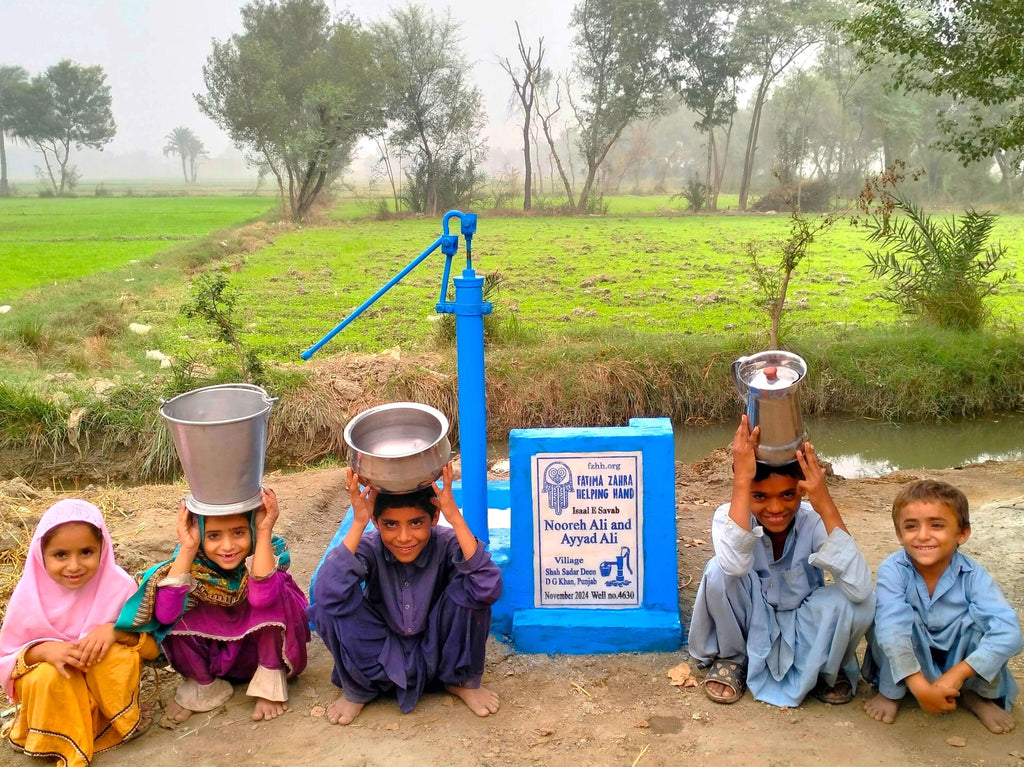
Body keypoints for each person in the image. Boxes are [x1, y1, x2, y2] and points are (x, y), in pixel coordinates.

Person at [687, 415, 875, 707]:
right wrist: (741, 480)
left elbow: (860, 588)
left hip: (804, 627)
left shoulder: (812, 522)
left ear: (801, 489)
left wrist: (823, 500)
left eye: (788, 494)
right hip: (748, 627)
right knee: (718, 572)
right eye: (759, 496)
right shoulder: (728, 516)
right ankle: (733, 658)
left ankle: (826, 667)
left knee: (858, 601)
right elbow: (734, 567)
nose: (776, 508)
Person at [309, 462, 502, 725]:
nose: (403, 537)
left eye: (415, 523)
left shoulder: (446, 542)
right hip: (379, 655)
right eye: (390, 524)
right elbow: (325, 592)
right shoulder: (369, 547)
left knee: (474, 587)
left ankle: (461, 681)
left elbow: (488, 586)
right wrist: (358, 523)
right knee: (330, 603)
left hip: (437, 653)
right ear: (376, 522)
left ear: (433, 518)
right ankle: (359, 688)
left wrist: (454, 517)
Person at [116, 487, 309, 725]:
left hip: (254, 655)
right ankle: (202, 686)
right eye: (214, 536)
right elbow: (165, 616)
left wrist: (263, 530)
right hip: (216, 661)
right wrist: (187, 548)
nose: (227, 546)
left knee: (275, 592)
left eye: (239, 532)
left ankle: (269, 681)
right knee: (177, 605)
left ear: (250, 530)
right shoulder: (193, 562)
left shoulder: (265, 553)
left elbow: (262, 599)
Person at [0, 499, 158, 767]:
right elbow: (7, 659)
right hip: (54, 695)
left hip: (104, 699)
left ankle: (116, 720)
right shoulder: (29, 597)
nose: (74, 566)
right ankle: (54, 736)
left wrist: (113, 632)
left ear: (103, 549)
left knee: (115, 656)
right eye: (60, 555)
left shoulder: (119, 586)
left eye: (86, 552)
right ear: (41, 555)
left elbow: (152, 649)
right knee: (49, 675)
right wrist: (44, 650)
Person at [863, 479, 1021, 733]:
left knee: (979, 624)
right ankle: (892, 691)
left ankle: (977, 695)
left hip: (955, 660)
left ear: (962, 533)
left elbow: (1009, 633)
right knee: (887, 622)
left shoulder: (974, 575)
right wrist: (920, 688)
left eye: (936, 525)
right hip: (912, 653)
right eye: (911, 526)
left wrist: (956, 675)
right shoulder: (893, 570)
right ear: (899, 534)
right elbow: (892, 630)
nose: (923, 535)